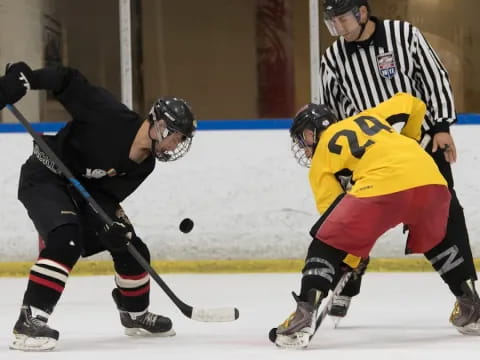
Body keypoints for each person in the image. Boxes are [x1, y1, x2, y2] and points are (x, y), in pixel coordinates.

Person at [0, 62, 197, 351]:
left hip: (82, 192)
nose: (174, 146)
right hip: (45, 177)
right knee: (65, 240)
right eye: (175, 138)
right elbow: (68, 80)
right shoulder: (109, 116)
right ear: (160, 126)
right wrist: (27, 79)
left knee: (132, 247)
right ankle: (30, 320)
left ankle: (134, 314)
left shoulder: (146, 164)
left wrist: (111, 227)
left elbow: (104, 196)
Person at [271, 93, 480, 349]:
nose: (305, 147)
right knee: (437, 241)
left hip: (382, 186)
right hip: (431, 178)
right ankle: (471, 307)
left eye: (304, 137)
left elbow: (335, 220)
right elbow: (413, 103)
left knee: (326, 240)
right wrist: (409, 139)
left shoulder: (321, 160)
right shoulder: (368, 116)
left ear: (316, 130)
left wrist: (353, 259)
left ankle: (303, 316)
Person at [318, 0, 478, 330]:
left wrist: (442, 127)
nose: (339, 30)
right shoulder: (333, 57)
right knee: (352, 221)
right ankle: (346, 287)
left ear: (362, 12)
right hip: (369, 158)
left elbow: (434, 76)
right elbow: (333, 109)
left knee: (445, 216)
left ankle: (468, 295)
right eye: (332, 25)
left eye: (343, 21)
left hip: (419, 148)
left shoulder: (403, 35)